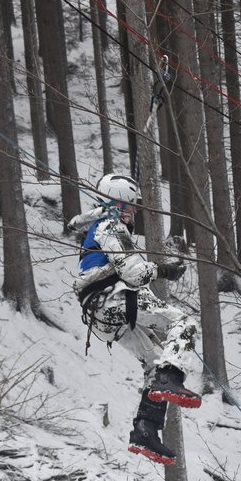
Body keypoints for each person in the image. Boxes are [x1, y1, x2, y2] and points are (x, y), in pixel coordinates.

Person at [71, 173, 200, 465]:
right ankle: (171, 377)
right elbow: (134, 273)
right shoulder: (110, 226)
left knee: (154, 360)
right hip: (111, 297)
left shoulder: (100, 228)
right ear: (119, 205)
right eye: (133, 206)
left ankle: (145, 430)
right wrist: (164, 270)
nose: (136, 212)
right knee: (184, 322)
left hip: (101, 313)